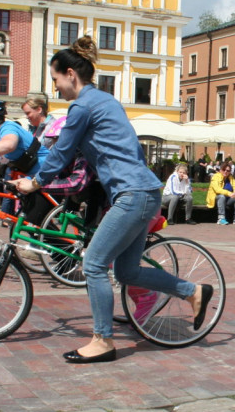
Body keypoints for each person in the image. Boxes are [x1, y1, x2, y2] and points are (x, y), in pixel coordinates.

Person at [14, 36, 212, 364]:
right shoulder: (107, 101)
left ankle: (103, 340)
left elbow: (61, 152)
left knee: (93, 263)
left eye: (55, 80)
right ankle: (193, 292)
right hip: (144, 191)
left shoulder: (81, 106)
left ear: (70, 75)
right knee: (127, 271)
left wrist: (35, 182)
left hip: (131, 194)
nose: (55, 88)